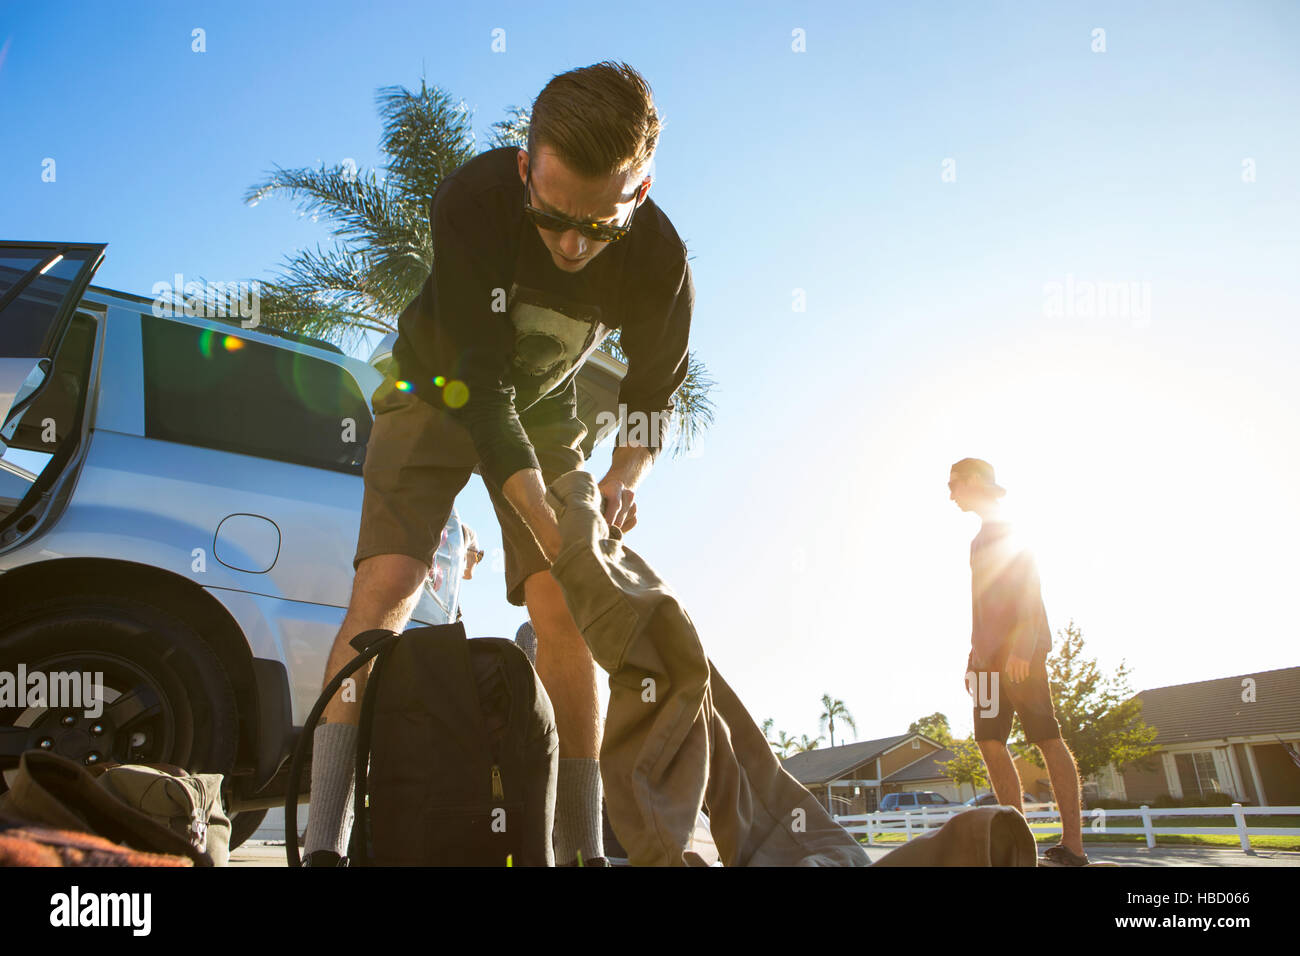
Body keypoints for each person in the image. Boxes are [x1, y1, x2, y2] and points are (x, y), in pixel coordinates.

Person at [302, 61, 694, 867]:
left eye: (602, 225)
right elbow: (482, 397)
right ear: (526, 168)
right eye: (552, 218)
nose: (574, 244)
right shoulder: (474, 201)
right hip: (435, 386)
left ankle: (576, 849)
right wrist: (553, 527)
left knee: (563, 608)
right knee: (387, 588)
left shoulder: (661, 266)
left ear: (642, 189)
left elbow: (653, 401)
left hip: (547, 410)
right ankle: (323, 842)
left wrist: (625, 480)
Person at [948, 458, 1090, 866]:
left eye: (953, 483)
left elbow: (1029, 585)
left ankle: (1074, 849)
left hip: (1017, 656)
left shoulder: (1011, 528)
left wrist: (1024, 646)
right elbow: (983, 605)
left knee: (1045, 735)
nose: (951, 493)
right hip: (988, 664)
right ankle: (1019, 845)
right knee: (989, 741)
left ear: (974, 480)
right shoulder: (978, 539)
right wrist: (974, 659)